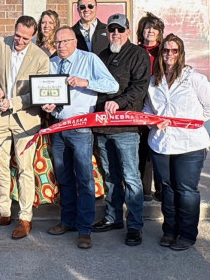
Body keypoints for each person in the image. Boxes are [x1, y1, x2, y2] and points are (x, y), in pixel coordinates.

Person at [43, 27, 118, 249]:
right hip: (58, 126)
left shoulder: (89, 59)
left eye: (65, 42)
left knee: (84, 180)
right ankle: (67, 221)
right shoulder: (53, 63)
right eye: (57, 42)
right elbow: (50, 92)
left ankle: (84, 229)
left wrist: (86, 82)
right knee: (64, 178)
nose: (61, 46)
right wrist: (48, 104)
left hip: (81, 129)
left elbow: (112, 85)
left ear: (74, 42)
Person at [143, 34, 210, 251]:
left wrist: (192, 123)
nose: (169, 54)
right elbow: (147, 108)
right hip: (161, 143)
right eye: (166, 50)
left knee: (185, 190)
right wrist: (153, 122)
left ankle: (187, 235)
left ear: (181, 53)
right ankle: (170, 230)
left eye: (174, 50)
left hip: (190, 145)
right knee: (167, 189)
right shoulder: (153, 81)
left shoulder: (193, 78)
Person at [0, 16, 49, 239]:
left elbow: (39, 93)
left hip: (25, 118)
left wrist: (14, 102)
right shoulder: (0, 44)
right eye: (17, 35)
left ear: (33, 36)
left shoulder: (40, 57)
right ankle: (3, 212)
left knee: (25, 169)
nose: (19, 41)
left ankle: (25, 218)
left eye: (25, 38)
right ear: (14, 30)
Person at [92, 13, 151, 247]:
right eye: (112, 30)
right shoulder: (102, 56)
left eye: (120, 29)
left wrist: (120, 103)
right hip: (103, 128)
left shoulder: (138, 54)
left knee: (131, 178)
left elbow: (139, 87)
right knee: (111, 176)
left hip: (126, 128)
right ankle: (113, 217)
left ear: (128, 31)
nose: (115, 34)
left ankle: (135, 226)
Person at [136, 12, 165, 201]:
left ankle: (162, 190)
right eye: (147, 27)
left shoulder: (165, 51)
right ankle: (145, 191)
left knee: (161, 149)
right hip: (140, 105)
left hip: (160, 106)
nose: (151, 31)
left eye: (155, 28)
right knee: (143, 150)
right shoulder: (135, 50)